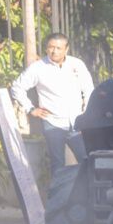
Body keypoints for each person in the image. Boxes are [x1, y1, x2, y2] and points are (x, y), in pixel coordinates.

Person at [9, 33, 94, 176]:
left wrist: (86, 115)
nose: (54, 51)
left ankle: (88, 196)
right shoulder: (38, 68)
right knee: (58, 165)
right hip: (52, 123)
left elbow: (89, 89)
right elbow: (17, 87)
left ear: (66, 49)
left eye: (58, 48)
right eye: (50, 47)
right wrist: (30, 109)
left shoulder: (76, 64)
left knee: (87, 160)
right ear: (46, 48)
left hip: (77, 122)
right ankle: (57, 197)